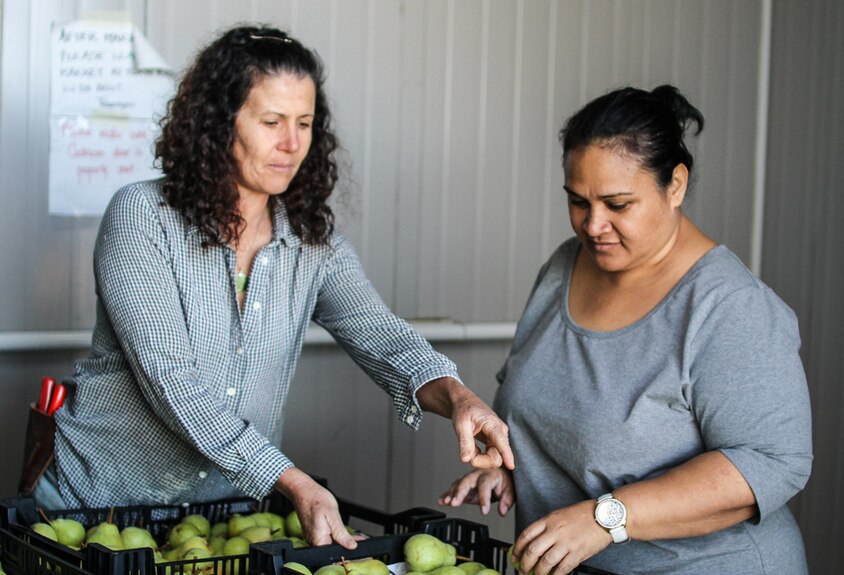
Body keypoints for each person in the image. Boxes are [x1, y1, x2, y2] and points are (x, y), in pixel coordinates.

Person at [36, 25, 513, 549]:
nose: (292, 144)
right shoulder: (142, 218)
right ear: (218, 125)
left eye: (305, 124)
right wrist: (290, 480)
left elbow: (383, 337)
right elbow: (172, 382)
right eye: (271, 122)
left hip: (224, 524)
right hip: (96, 512)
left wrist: (460, 397)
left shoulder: (312, 242)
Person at [439, 85, 812, 574]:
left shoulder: (731, 308)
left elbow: (769, 465)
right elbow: (544, 407)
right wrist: (518, 469)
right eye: (578, 201)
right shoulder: (565, 267)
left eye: (618, 204)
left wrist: (605, 519)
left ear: (675, 185)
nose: (593, 226)